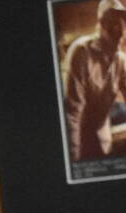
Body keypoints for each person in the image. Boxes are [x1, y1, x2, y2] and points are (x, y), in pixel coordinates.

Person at [64, 0, 126, 161]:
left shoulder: (120, 60)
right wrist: (74, 161)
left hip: (104, 141)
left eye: (122, 22)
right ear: (102, 25)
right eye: (113, 23)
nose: (119, 29)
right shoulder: (81, 52)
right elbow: (73, 112)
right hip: (81, 144)